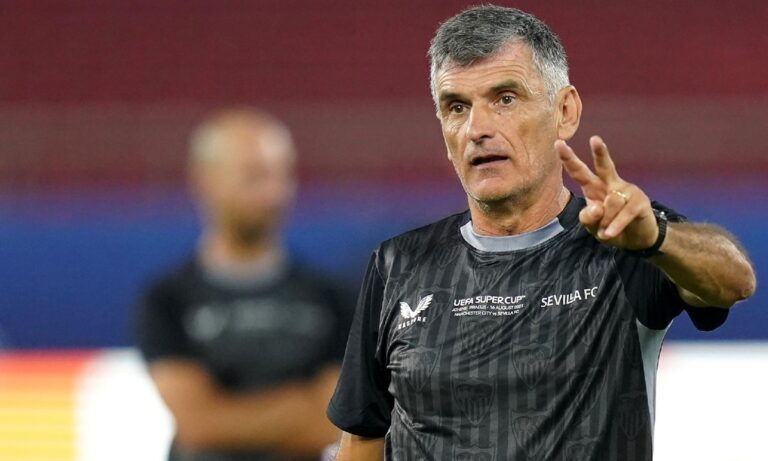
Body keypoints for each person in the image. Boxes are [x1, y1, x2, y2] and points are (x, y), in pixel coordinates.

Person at [327, 6, 756, 460]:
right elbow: (362, 438)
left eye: (505, 99)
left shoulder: (624, 241)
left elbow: (735, 281)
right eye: (457, 107)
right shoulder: (398, 264)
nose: (477, 129)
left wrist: (657, 240)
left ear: (564, 111)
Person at [136, 108, 351, 461]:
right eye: (254, 176)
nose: (273, 193)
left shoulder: (333, 298)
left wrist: (230, 417)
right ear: (205, 180)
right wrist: (295, 407)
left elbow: (335, 423)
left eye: (282, 174)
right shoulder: (167, 299)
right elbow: (198, 424)